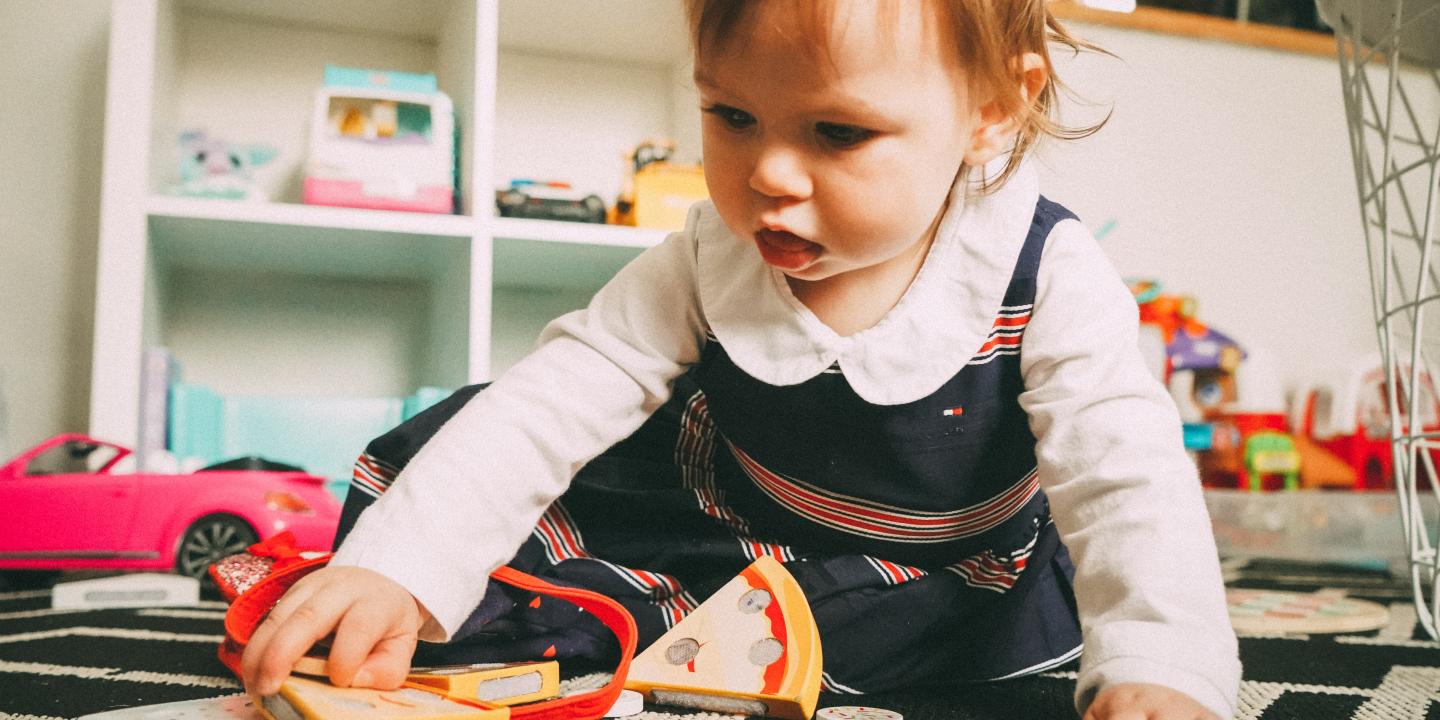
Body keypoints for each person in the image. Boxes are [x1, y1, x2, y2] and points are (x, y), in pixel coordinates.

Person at [242, 1, 1241, 718]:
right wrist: (404, 570)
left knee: (826, 635)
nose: (766, 173)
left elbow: (1125, 474)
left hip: (953, 572)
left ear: (992, 108)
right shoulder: (704, 256)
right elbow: (552, 400)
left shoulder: (1041, 267)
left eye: (837, 132)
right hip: (739, 527)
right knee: (469, 470)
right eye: (730, 115)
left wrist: (1164, 664)